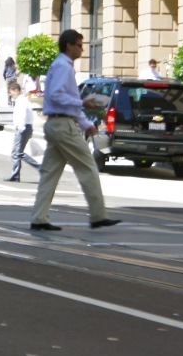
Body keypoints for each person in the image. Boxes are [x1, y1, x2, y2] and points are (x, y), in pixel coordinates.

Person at [29, 29, 119, 231]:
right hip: (63, 126)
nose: (82, 49)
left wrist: (86, 123)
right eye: (79, 45)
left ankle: (39, 217)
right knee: (87, 167)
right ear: (69, 45)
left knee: (49, 173)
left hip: (56, 124)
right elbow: (56, 96)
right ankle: (98, 215)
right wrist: (83, 102)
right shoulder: (63, 66)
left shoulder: (61, 65)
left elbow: (65, 103)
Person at [4, 79, 41, 182]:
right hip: (26, 128)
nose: (10, 94)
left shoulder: (21, 101)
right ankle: (15, 175)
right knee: (16, 152)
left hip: (22, 128)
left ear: (16, 90)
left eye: (11, 91)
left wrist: (20, 128)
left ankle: (39, 167)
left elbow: (22, 115)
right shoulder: (22, 100)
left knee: (17, 153)